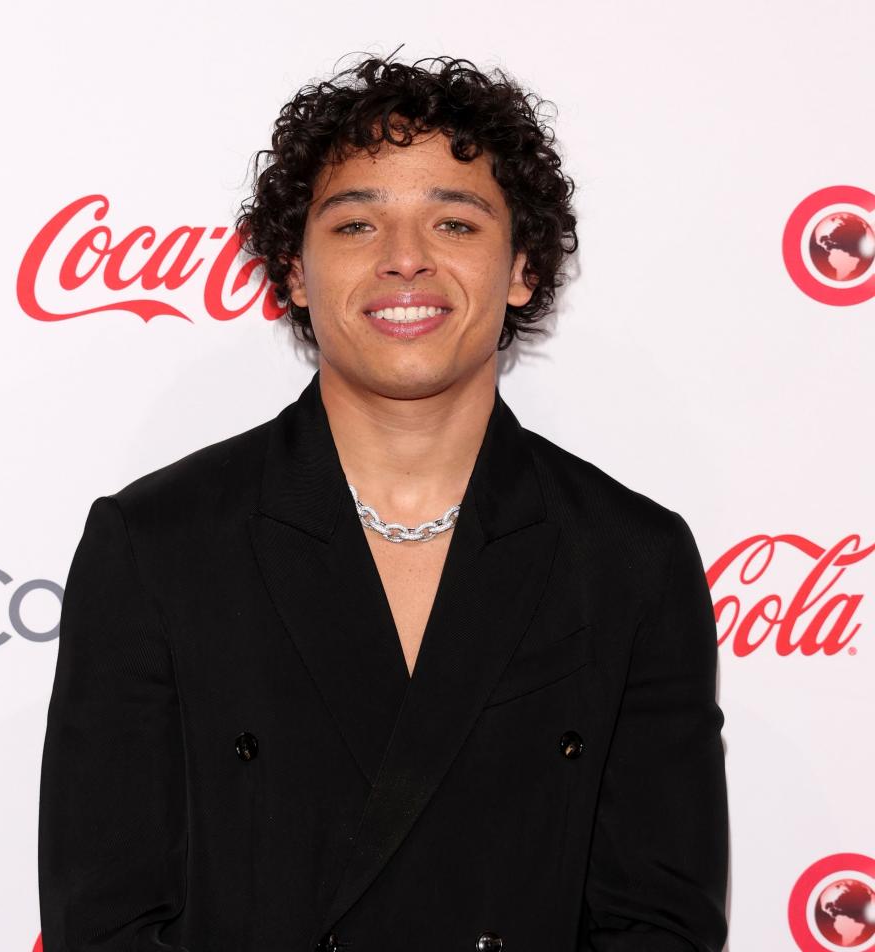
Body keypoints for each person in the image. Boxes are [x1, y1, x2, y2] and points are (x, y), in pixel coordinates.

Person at [37, 53, 729, 952]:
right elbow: (106, 920)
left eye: (454, 221)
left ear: (522, 267)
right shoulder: (160, 546)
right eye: (357, 225)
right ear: (293, 272)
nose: (406, 260)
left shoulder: (630, 559)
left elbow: (661, 925)